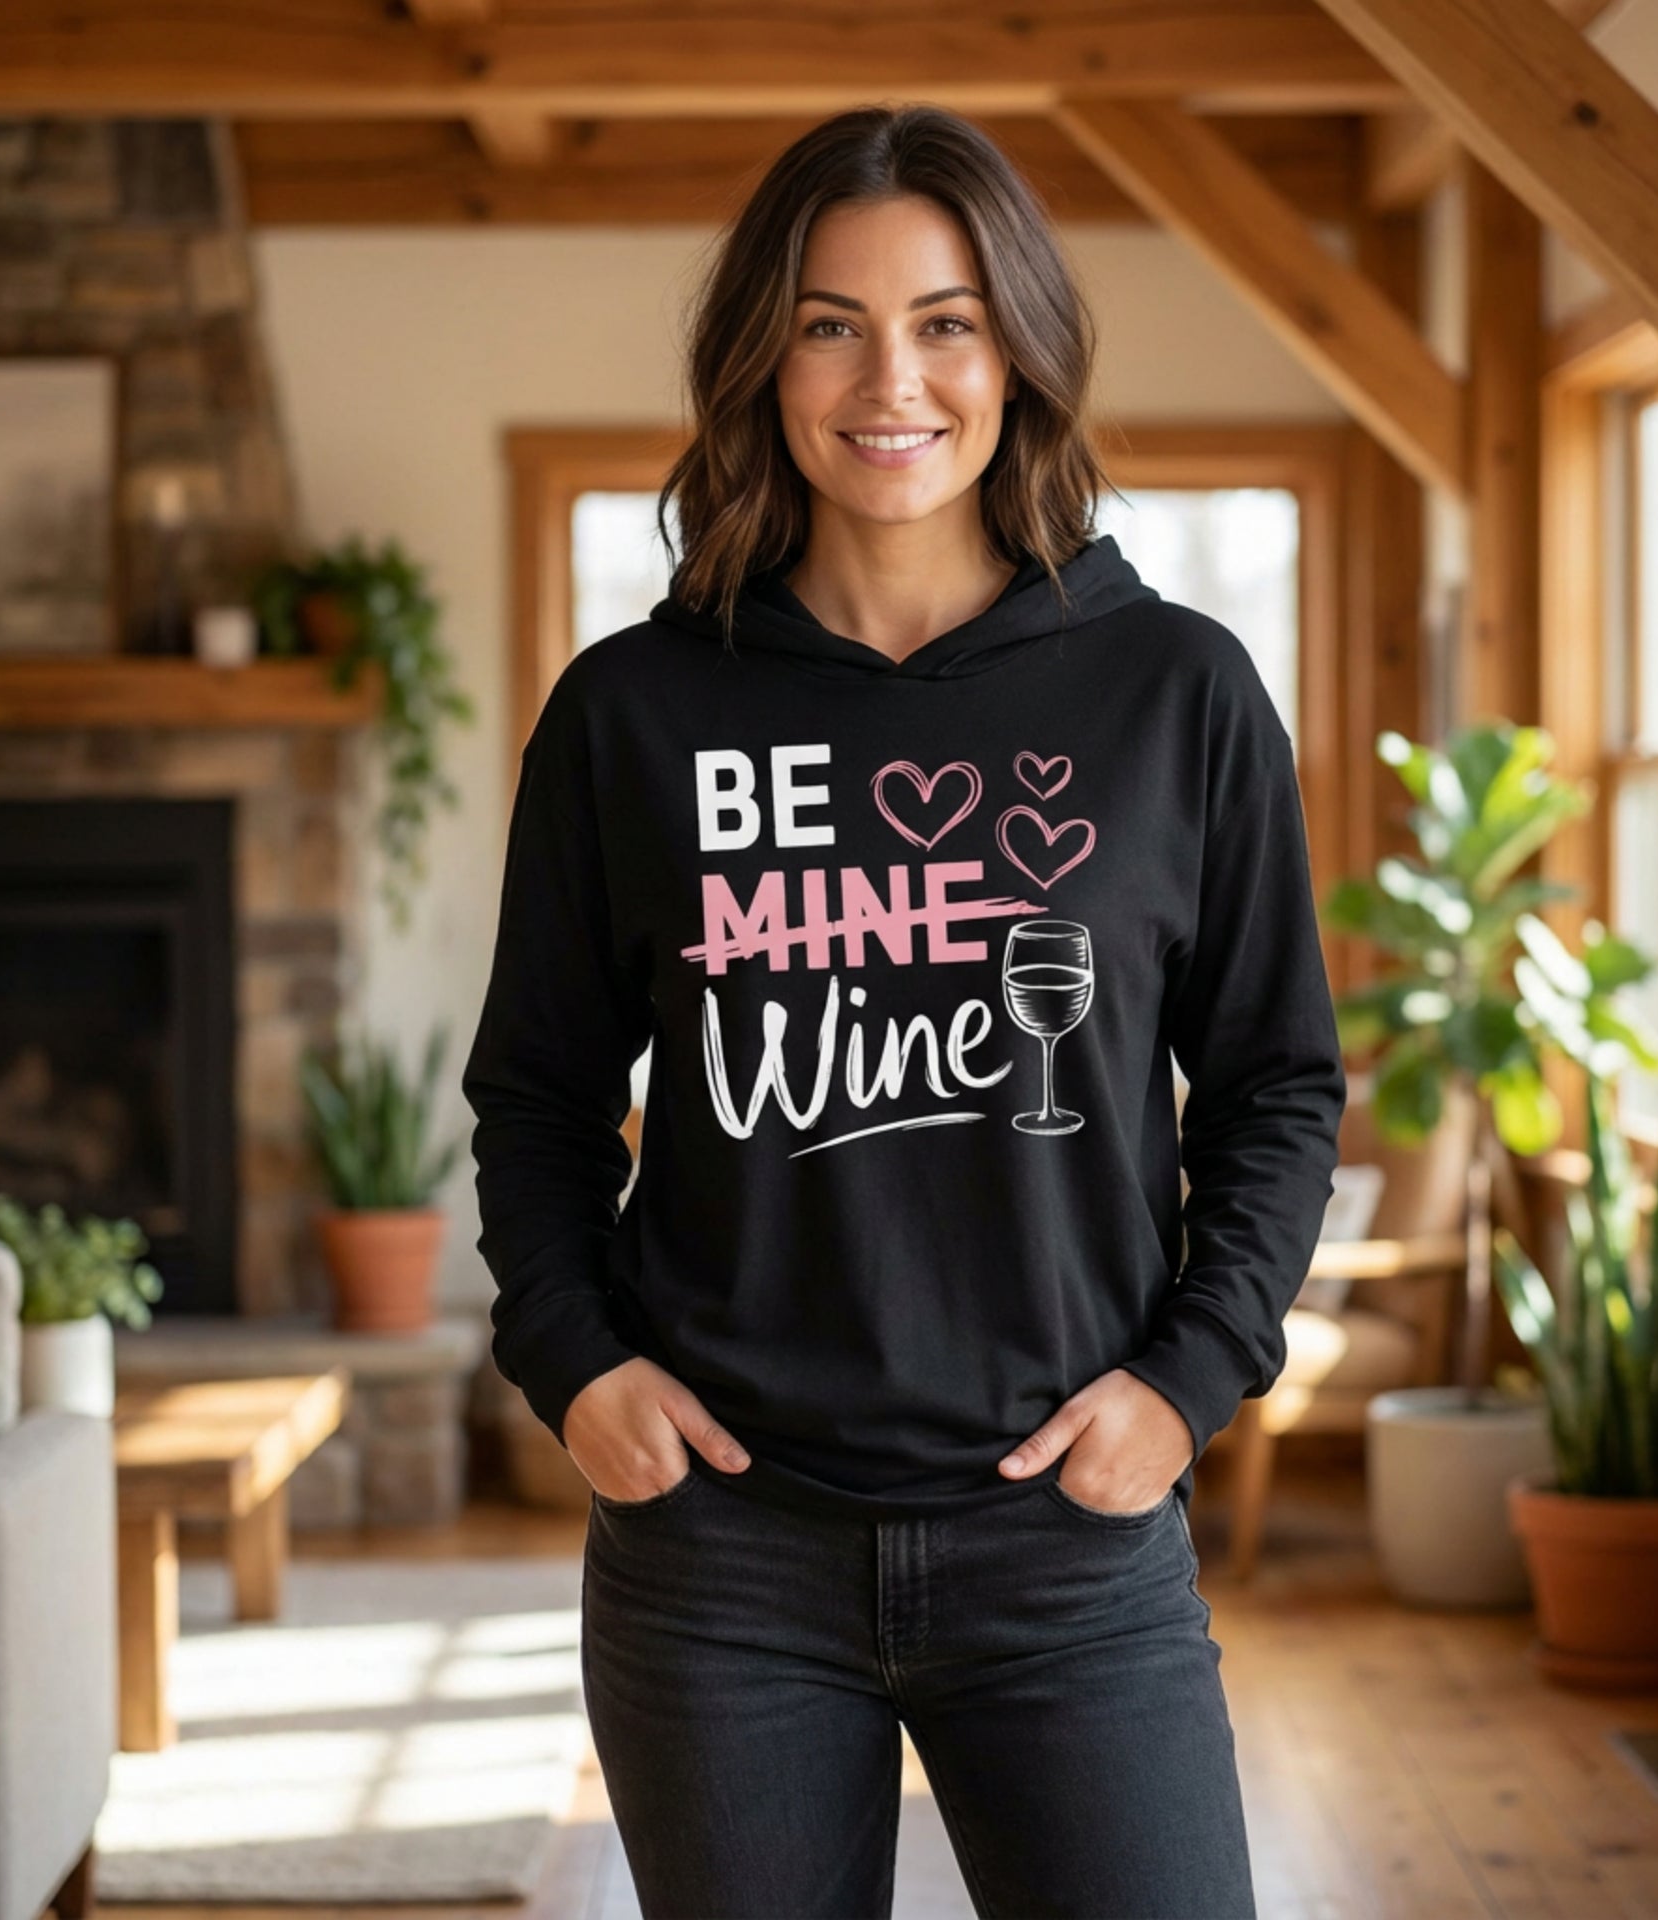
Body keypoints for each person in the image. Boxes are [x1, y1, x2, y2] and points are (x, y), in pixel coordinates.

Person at [462, 102, 1345, 1920]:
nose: (893, 379)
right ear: (761, 358)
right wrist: (577, 1363)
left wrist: (1188, 1387)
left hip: (1069, 1552)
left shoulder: (1175, 691)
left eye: (945, 319)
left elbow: (1276, 1083)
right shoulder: (635, 714)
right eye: (828, 321)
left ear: (1015, 347)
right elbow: (537, 1094)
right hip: (722, 1561)